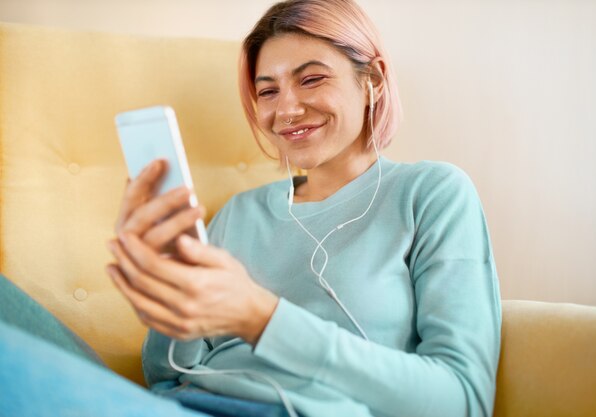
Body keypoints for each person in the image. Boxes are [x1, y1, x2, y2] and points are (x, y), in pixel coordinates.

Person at [0, 0, 501, 416]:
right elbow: (167, 372)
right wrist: (162, 289)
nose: (285, 110)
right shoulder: (240, 213)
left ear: (371, 81)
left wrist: (261, 318)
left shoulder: (430, 193)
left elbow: (461, 400)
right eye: (268, 90)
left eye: (311, 80)